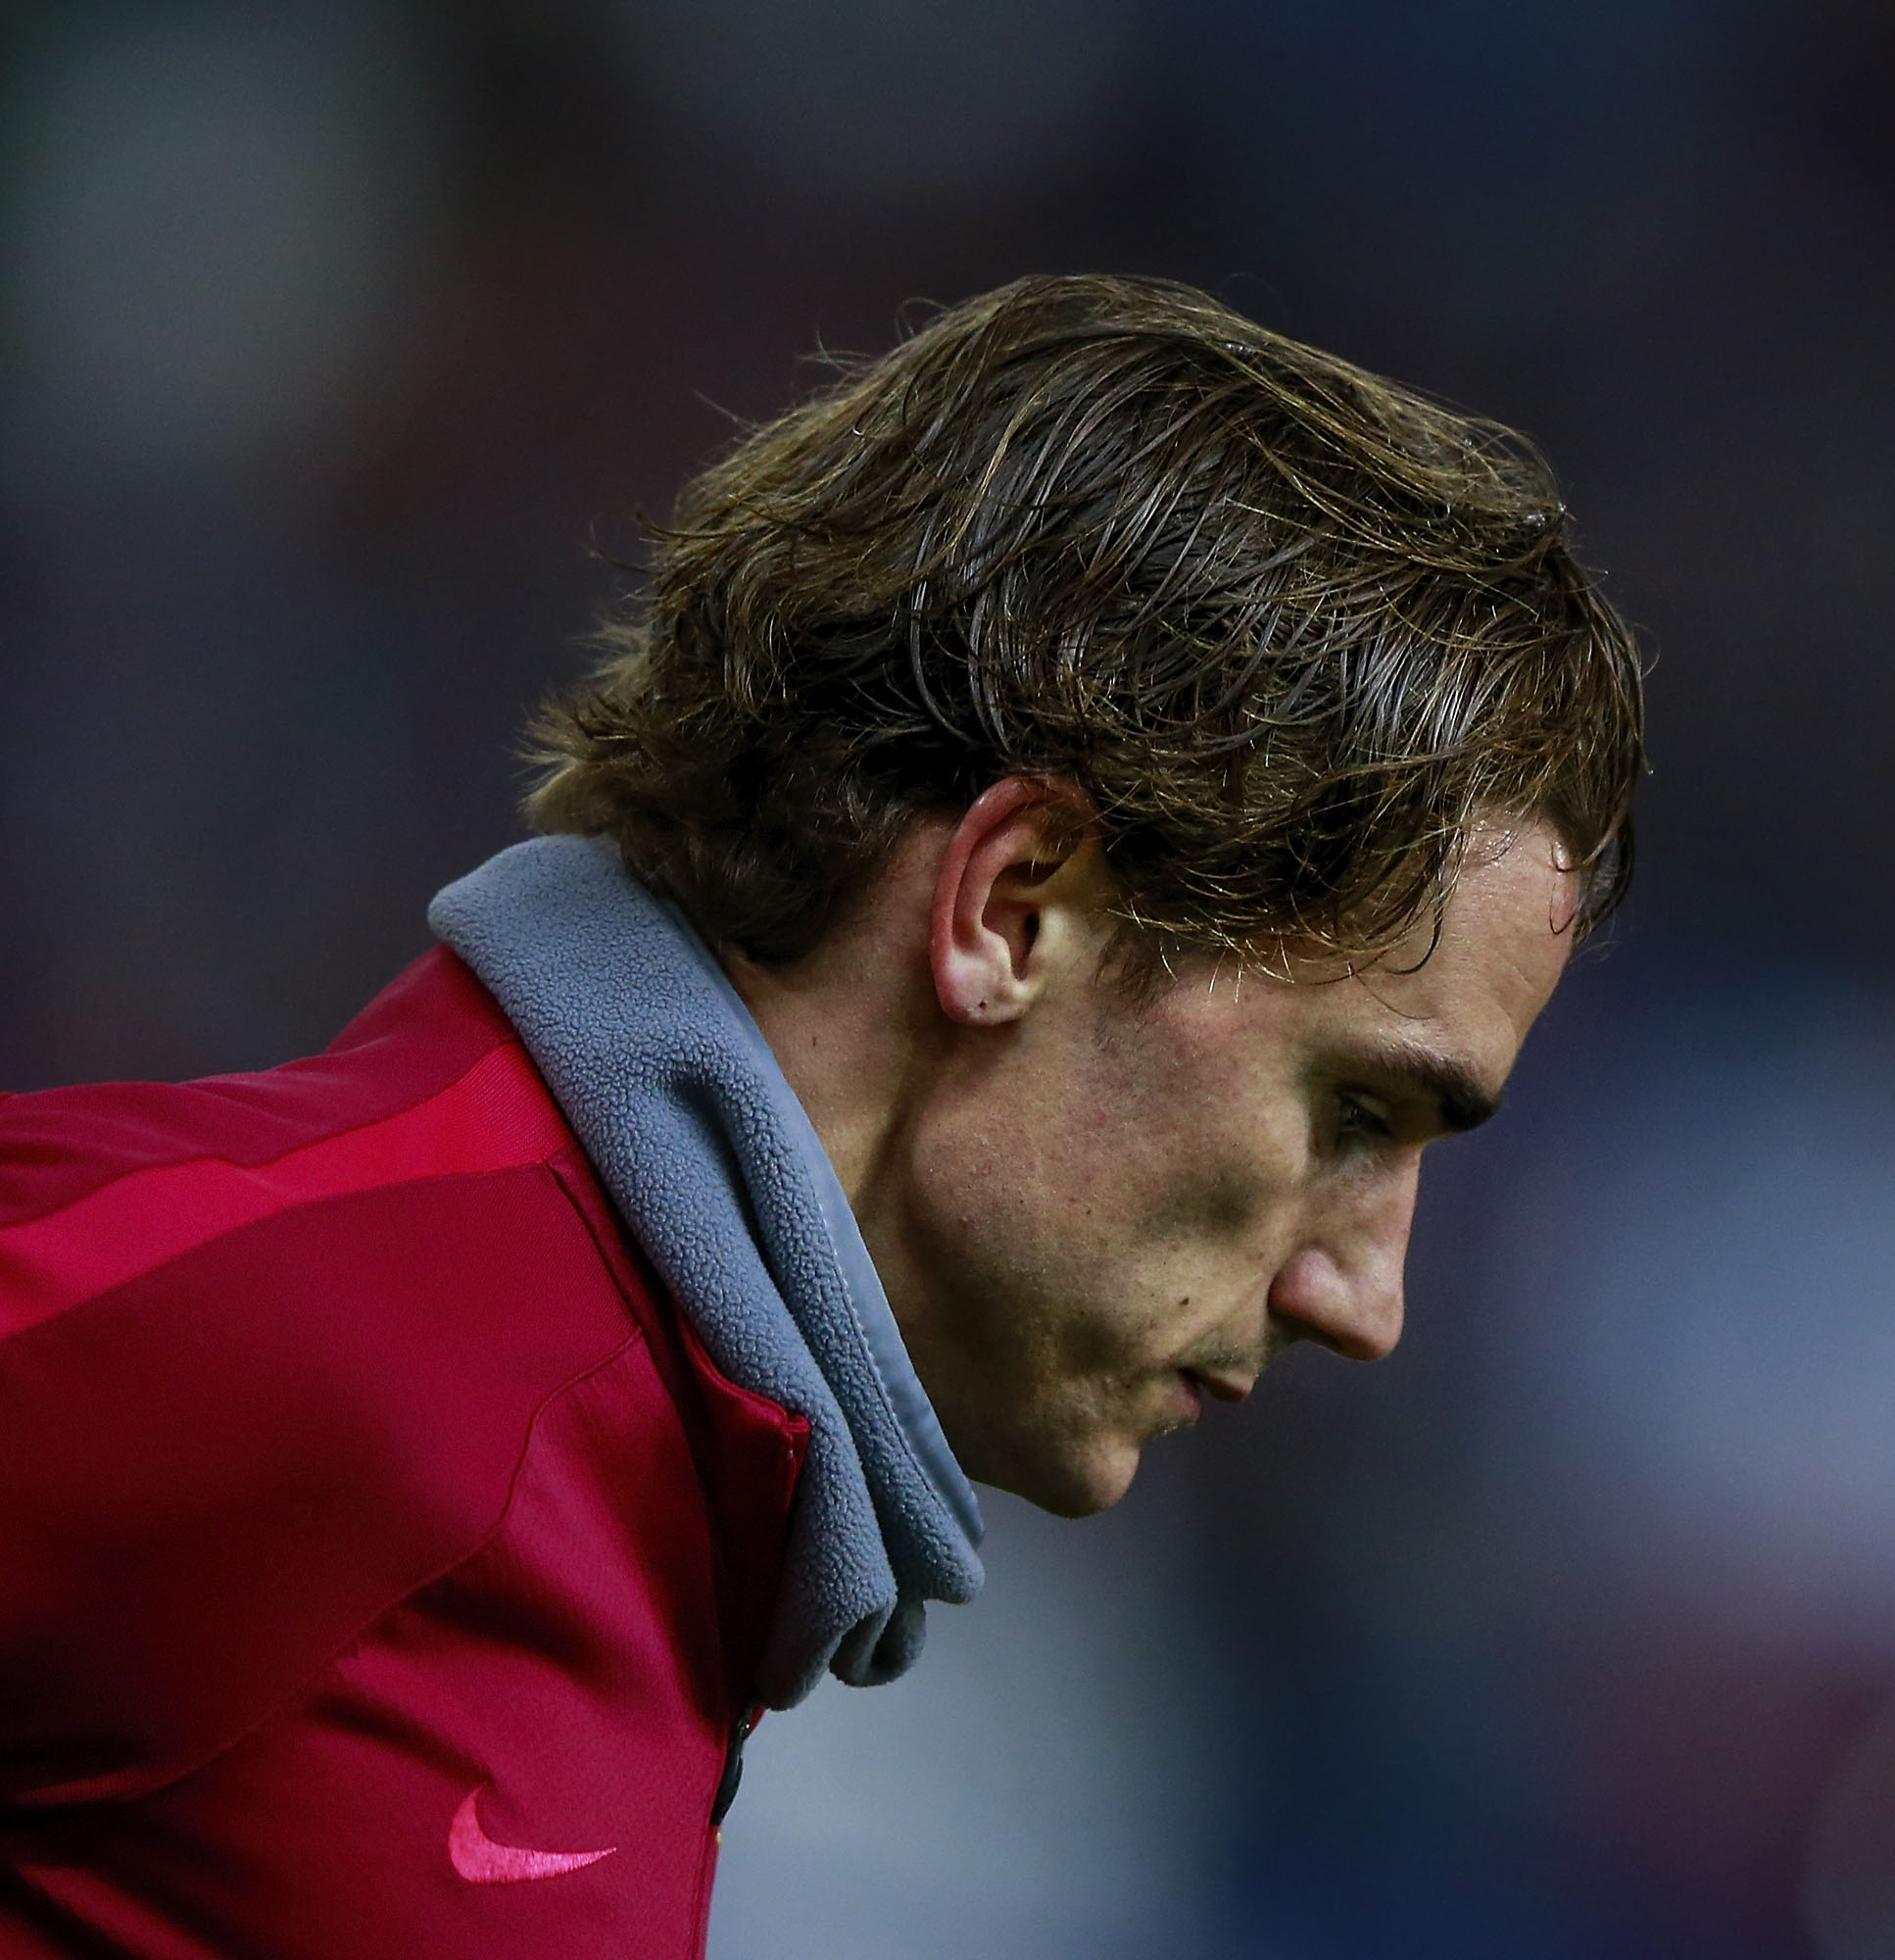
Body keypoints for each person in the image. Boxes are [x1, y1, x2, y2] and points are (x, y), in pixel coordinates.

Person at [0, 273, 1644, 1959]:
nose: (1364, 1299)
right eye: (1357, 1108)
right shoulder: (271, 1353)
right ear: (1013, 909)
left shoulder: (645, 1491)